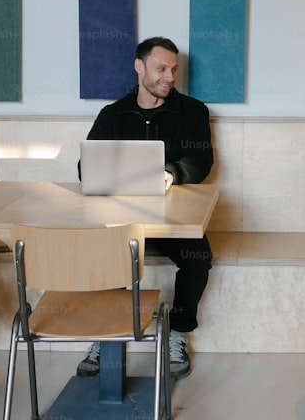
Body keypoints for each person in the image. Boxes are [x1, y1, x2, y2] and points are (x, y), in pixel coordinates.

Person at [77, 36, 214, 381]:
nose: (169, 77)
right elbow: (85, 167)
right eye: (161, 68)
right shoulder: (113, 114)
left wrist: (173, 172)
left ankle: (177, 332)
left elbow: (201, 161)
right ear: (139, 67)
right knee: (102, 253)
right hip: (121, 222)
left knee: (198, 255)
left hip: (171, 223)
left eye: (174, 70)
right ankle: (107, 335)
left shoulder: (193, 112)